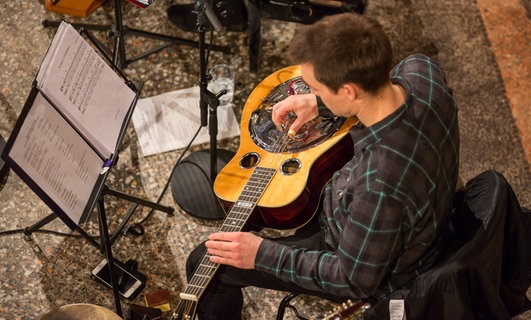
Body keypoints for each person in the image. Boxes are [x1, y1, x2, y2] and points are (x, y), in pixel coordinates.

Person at [185, 12, 460, 319]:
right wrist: (319, 104)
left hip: (373, 260)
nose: (311, 93)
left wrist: (261, 254)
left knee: (206, 265)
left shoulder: (379, 184)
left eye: (315, 88)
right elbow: (377, 90)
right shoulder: (421, 70)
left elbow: (352, 279)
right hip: (401, 210)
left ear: (348, 91)